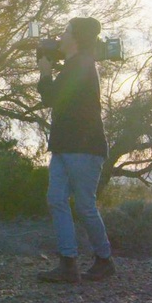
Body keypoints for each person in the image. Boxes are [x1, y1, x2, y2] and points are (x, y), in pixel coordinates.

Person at [36, 17, 115, 283]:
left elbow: (52, 97)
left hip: (82, 147)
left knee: (83, 205)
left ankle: (103, 259)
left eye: (66, 31)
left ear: (76, 38)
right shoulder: (76, 66)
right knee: (57, 199)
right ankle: (69, 262)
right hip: (65, 145)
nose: (61, 35)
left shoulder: (80, 66)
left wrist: (45, 72)